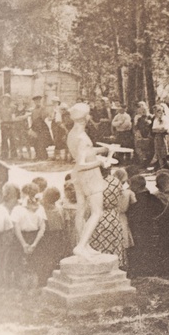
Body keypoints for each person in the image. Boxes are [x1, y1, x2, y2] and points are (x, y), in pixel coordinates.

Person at [66, 102, 112, 258]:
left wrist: (103, 149)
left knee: (81, 210)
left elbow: (85, 153)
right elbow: (81, 164)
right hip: (89, 177)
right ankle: (81, 245)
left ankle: (85, 245)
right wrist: (101, 162)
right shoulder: (81, 137)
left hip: (79, 177)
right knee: (96, 212)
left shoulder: (73, 133)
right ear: (84, 118)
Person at [126, 174, 165, 277]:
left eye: (131, 185)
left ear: (136, 187)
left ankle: (140, 270)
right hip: (151, 228)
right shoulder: (153, 198)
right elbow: (161, 210)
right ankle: (150, 269)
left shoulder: (135, 200)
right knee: (150, 249)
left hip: (137, 229)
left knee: (138, 249)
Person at [11, 182, 47, 286]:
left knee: (19, 262)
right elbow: (42, 228)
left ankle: (21, 286)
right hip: (35, 237)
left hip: (20, 238)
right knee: (34, 263)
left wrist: (23, 244)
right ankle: (35, 286)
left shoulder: (17, 209)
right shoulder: (40, 208)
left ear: (24, 194)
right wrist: (35, 243)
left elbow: (16, 228)